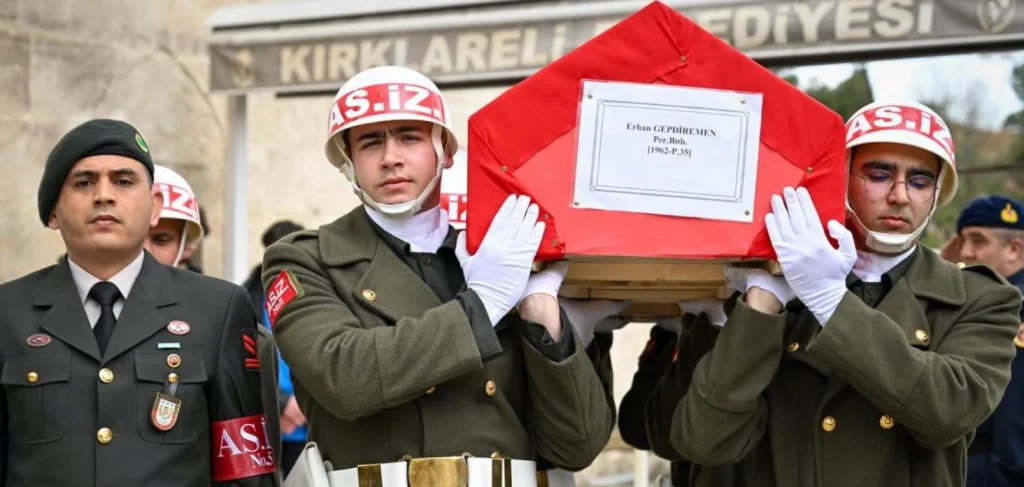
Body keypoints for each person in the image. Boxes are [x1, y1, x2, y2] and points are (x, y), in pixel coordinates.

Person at [261, 66, 614, 483]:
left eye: (409, 137)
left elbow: (577, 447)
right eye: (371, 142)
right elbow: (346, 379)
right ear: (348, 162)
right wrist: (482, 303)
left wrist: (547, 322)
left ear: (445, 151)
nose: (391, 157)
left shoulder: (500, 254)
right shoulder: (306, 259)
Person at [661, 101, 1022, 486]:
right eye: (879, 174)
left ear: (935, 195)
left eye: (918, 181)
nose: (899, 195)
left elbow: (948, 411)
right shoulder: (783, 295)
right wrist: (762, 303)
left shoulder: (981, 298)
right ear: (842, 177)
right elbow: (703, 442)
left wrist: (830, 299)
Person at [0, 119, 276, 486]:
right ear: (52, 211)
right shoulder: (8, 311)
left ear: (154, 206)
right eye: (84, 183)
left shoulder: (217, 308)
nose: (104, 195)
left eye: (124, 181)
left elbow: (244, 470)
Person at [143, 164, 284, 486]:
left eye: (161, 239)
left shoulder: (237, 333)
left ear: (187, 246)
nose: (145, 252)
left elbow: (251, 468)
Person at [942, 195, 1024, 487]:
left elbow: (1012, 451)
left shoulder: (1016, 315)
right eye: (962, 240)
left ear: (1014, 250)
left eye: (977, 241)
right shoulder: (978, 301)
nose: (965, 252)